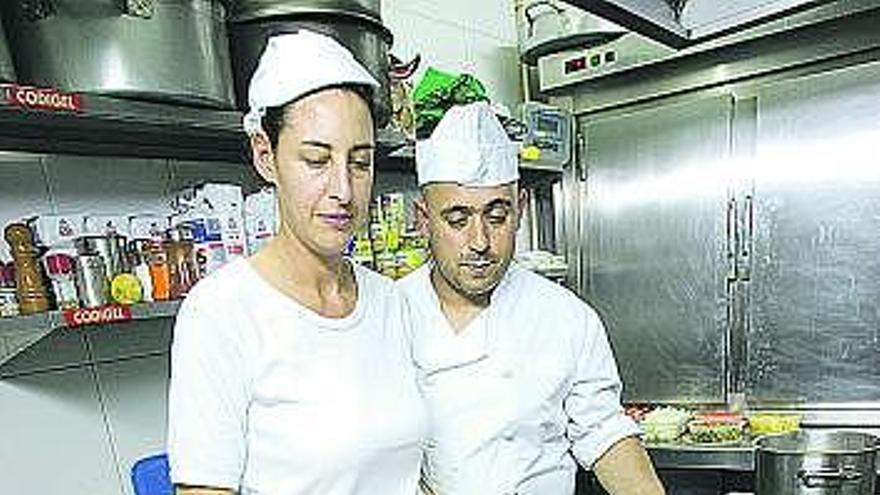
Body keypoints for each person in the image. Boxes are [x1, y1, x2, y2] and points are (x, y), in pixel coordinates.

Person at [166, 31, 426, 495]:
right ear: (266, 157)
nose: (343, 190)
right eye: (315, 159)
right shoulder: (222, 312)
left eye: (360, 163)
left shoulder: (391, 301)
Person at [398, 101, 665, 495]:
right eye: (457, 220)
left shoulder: (567, 318)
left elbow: (604, 430)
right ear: (424, 220)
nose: (480, 242)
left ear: (520, 210)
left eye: (497, 216)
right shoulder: (390, 314)